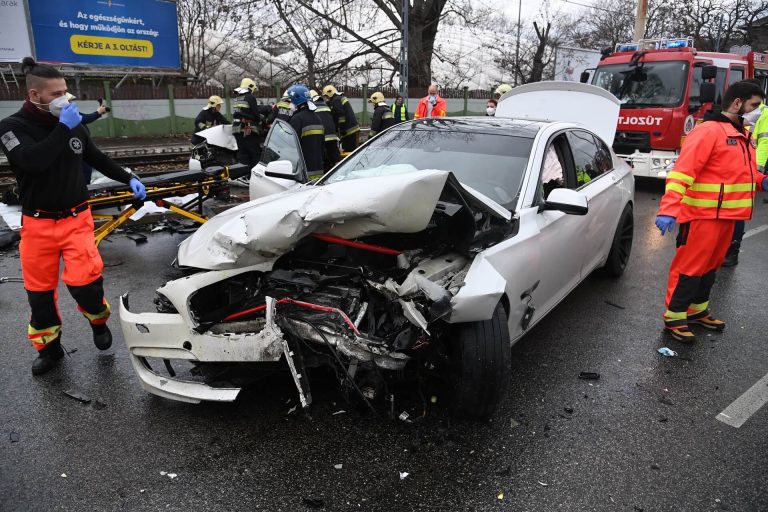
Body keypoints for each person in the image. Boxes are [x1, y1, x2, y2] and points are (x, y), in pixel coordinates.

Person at [0, 57, 147, 375]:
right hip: (37, 225)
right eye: (55, 94)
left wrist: (128, 177)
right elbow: (31, 162)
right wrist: (62, 129)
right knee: (39, 295)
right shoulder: (11, 128)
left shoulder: (73, 121)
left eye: (65, 91)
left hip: (76, 219)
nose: (64, 99)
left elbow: (96, 157)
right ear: (35, 95)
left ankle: (99, 320)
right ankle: (49, 348)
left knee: (86, 284)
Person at [655, 80, 767, 343]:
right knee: (690, 268)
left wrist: (762, 181)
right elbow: (681, 174)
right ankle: (674, 317)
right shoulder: (708, 132)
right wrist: (669, 209)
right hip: (701, 217)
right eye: (755, 105)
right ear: (737, 104)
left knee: (710, 267)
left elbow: (744, 176)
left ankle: (697, 311)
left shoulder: (744, 136)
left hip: (728, 218)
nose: (759, 112)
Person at [723, 86, 768, 267]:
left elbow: (764, 141)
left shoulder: (759, 114)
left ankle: (732, 251)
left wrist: (758, 171)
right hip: (743, 165)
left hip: (751, 164)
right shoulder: (722, 127)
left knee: (738, 210)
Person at [232, 77, 271, 168]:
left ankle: (244, 175)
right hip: (248, 130)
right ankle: (254, 175)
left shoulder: (237, 97)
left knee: (243, 154)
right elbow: (256, 114)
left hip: (236, 129)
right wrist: (263, 119)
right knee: (255, 154)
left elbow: (242, 112)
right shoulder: (250, 96)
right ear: (250, 87)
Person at [288, 84, 325, 177]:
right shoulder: (318, 118)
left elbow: (291, 146)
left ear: (296, 100)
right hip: (318, 170)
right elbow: (322, 145)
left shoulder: (297, 119)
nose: (290, 104)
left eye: (291, 100)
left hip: (303, 173)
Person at [78, 95, 109, 183]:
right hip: (80, 146)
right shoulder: (65, 113)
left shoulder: (70, 112)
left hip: (84, 144)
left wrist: (98, 112)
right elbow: (85, 119)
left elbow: (85, 117)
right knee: (85, 169)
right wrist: (98, 113)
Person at [310, 89, 341, 171]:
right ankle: (340, 171)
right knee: (335, 157)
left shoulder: (312, 107)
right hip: (333, 136)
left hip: (322, 136)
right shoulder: (325, 105)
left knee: (323, 159)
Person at [322, 85, 359, 152]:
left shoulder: (336, 100)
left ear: (329, 94)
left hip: (348, 130)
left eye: (326, 96)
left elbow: (341, 115)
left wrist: (341, 129)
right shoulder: (339, 98)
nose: (326, 98)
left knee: (349, 151)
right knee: (352, 150)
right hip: (351, 128)